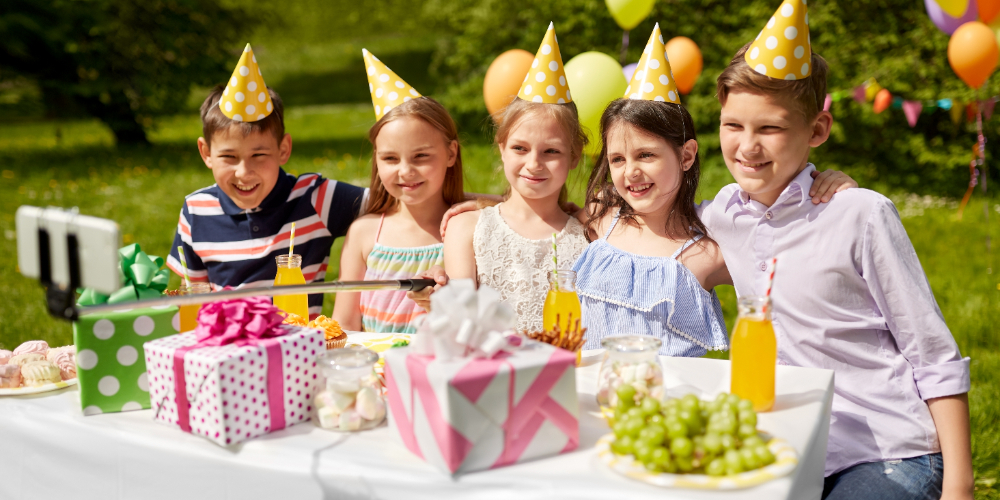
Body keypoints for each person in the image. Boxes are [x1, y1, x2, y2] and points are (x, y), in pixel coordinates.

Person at [699, 2, 973, 498]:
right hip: (788, 442)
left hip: (889, 450)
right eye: (733, 125)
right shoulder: (722, 215)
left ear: (817, 132)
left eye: (771, 129)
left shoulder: (859, 213)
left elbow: (933, 351)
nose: (747, 146)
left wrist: (960, 483)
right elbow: (646, 219)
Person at [574, 24, 856, 356]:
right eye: (617, 159)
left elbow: (788, 249)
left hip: (668, 400)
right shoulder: (599, 216)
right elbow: (540, 217)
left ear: (686, 155)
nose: (630, 171)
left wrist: (826, 185)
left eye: (646, 155)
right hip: (592, 394)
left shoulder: (710, 250)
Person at [166, 45, 367, 320]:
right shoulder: (196, 210)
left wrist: (448, 215)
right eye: (229, 156)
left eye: (259, 155)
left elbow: (394, 202)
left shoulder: (315, 198)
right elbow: (194, 292)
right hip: (228, 350)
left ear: (283, 149)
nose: (243, 172)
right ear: (206, 153)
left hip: (296, 350)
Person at [441, 24, 590, 332]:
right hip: (492, 374)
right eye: (520, 148)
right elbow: (460, 325)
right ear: (502, 149)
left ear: (574, 156)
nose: (533, 164)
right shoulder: (467, 228)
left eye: (551, 151)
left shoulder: (590, 235)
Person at [333, 52, 460, 333]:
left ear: (451, 153)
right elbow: (345, 325)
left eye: (421, 156)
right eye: (391, 159)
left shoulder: (464, 228)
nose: (405, 171)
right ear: (376, 158)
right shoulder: (365, 233)